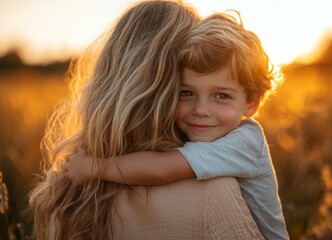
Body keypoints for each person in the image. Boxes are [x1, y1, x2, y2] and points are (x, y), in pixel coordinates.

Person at [29, 1, 264, 239]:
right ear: (165, 88)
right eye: (186, 92)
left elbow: (162, 168)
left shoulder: (64, 194)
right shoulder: (212, 192)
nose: (201, 109)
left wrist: (94, 166)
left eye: (221, 95)